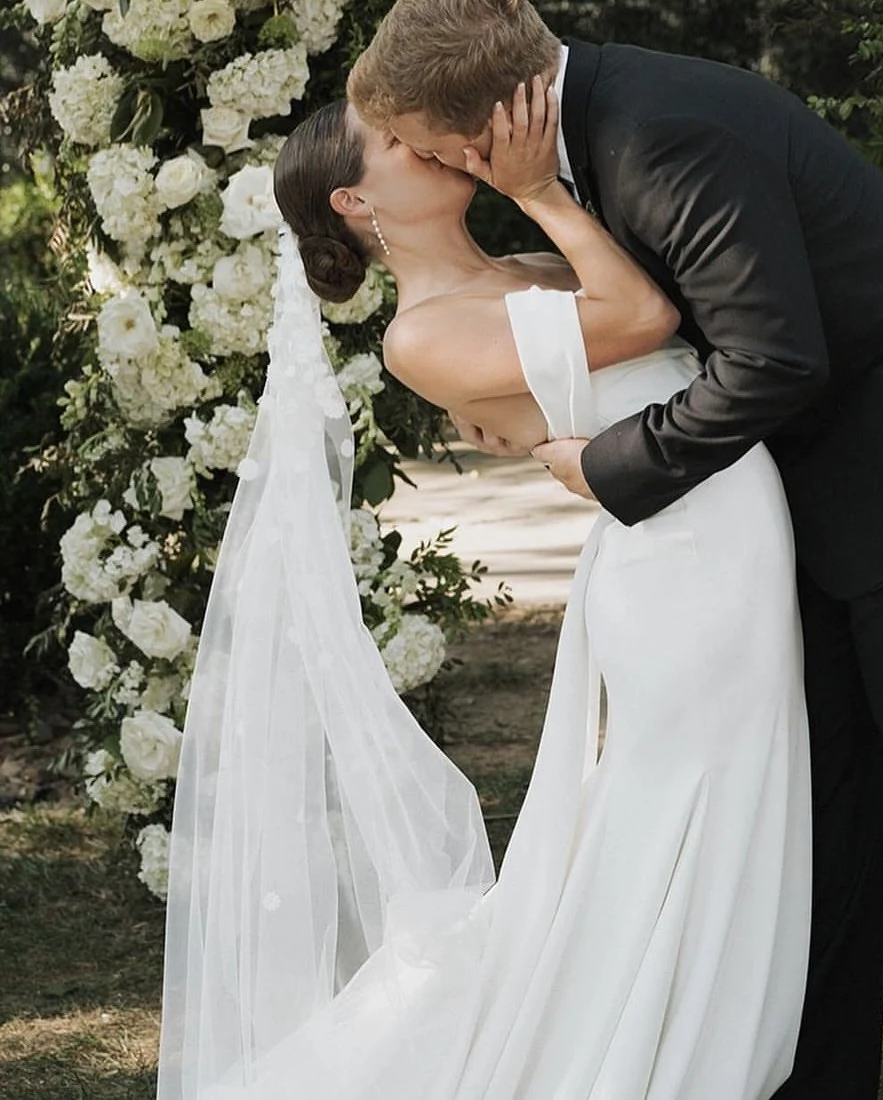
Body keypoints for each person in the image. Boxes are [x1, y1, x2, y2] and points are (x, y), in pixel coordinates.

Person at [346, 0, 883, 1100]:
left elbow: (774, 357)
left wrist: (605, 463)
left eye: (433, 148)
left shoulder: (656, 135)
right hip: (805, 487)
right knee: (828, 795)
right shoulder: (591, 136)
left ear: (491, 128)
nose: (434, 169)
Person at [156, 76, 811, 1100]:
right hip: (678, 557)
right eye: (394, 143)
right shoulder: (419, 333)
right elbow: (638, 313)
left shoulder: (511, 266)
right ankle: (645, 1055)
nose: (425, 142)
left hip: (712, 532)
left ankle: (673, 1038)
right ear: (352, 203)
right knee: (675, 803)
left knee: (706, 796)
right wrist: (540, 185)